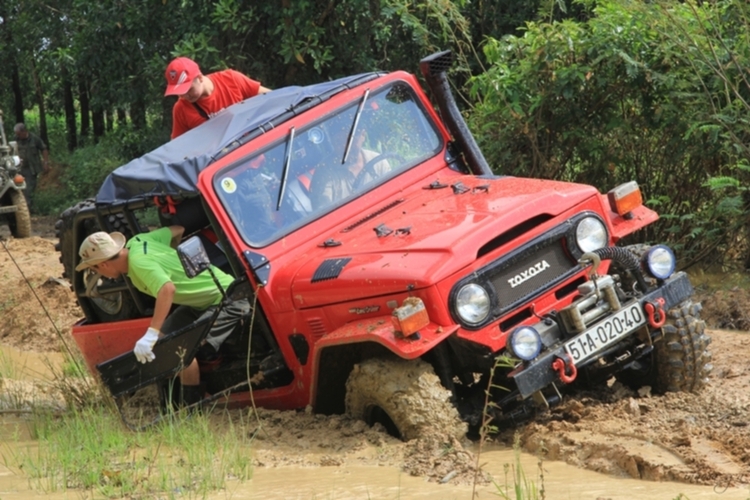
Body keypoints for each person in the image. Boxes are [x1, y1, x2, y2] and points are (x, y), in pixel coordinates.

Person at [75, 227, 250, 407]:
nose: (98, 275)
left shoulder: (139, 263)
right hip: (200, 302)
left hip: (227, 297)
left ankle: (192, 409)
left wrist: (152, 331)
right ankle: (172, 405)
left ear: (102, 264)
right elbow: (178, 230)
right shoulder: (139, 240)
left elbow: (167, 289)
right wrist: (172, 261)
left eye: (93, 269)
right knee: (162, 345)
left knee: (181, 350)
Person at [165, 57, 271, 139]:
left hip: (253, 156)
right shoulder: (181, 109)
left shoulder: (231, 79)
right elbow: (178, 149)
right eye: (180, 93)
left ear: (200, 78)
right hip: (221, 165)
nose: (185, 96)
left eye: (188, 89)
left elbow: (271, 98)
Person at [309, 125, 391, 209]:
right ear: (333, 143)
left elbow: (393, 195)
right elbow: (324, 212)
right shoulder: (324, 173)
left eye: (349, 140)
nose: (345, 147)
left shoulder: (379, 162)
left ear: (362, 136)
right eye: (339, 142)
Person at [14, 123, 50, 210]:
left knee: (28, 190)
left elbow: (44, 149)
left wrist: (46, 162)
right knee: (19, 190)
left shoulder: (34, 139)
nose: (17, 136)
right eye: (16, 134)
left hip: (31, 169)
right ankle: (22, 210)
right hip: (19, 169)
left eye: (19, 134)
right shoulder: (15, 139)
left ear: (24, 131)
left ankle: (28, 210)